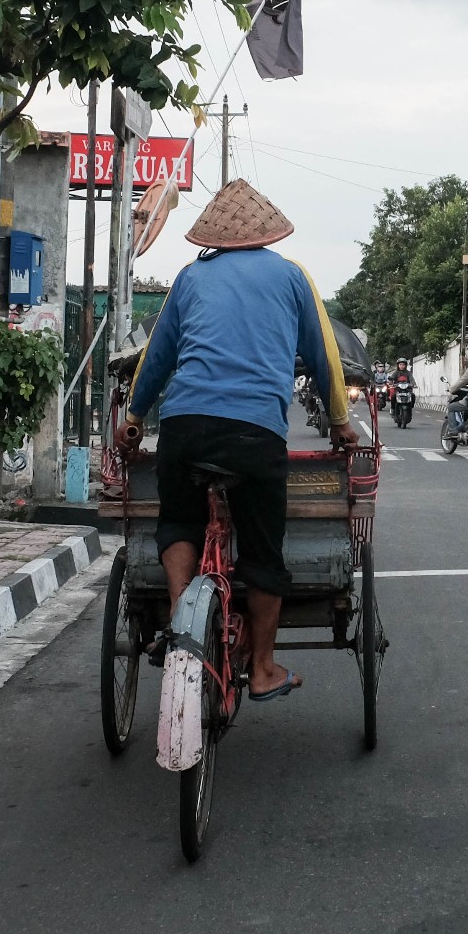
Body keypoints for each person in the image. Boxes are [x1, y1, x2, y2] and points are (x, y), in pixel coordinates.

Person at [120, 180, 356, 703]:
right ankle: (266, 668)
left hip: (185, 426)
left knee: (180, 518)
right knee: (263, 551)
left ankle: (183, 627)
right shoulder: (293, 277)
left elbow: (156, 356)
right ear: (268, 234)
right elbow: (323, 357)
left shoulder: (188, 278)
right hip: (254, 434)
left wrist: (134, 416)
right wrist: (340, 421)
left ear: (215, 239)